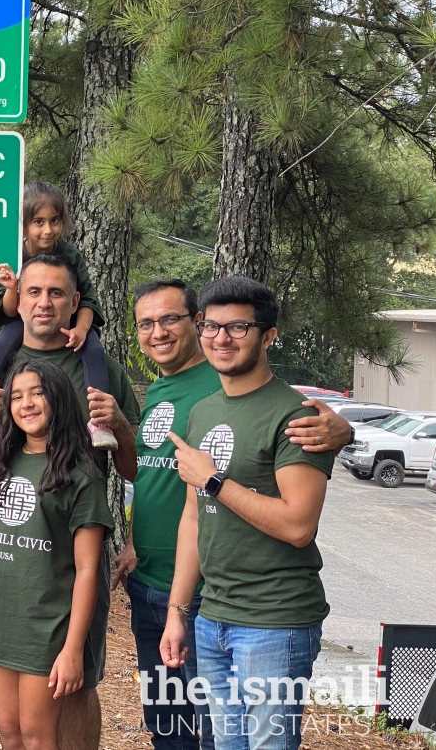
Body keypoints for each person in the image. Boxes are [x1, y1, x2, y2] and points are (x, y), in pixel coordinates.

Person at [115, 279, 352, 750]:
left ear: (268, 336)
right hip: (211, 616)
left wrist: (214, 481)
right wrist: (180, 613)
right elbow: (193, 519)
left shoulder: (296, 416)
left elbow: (298, 526)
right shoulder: (202, 410)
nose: (222, 338)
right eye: (213, 326)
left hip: (274, 620)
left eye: (238, 327)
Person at [0, 254, 140, 750]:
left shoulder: (97, 369)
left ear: (75, 302)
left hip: (69, 553)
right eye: (33, 291)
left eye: (56, 293)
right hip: (11, 574)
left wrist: (120, 425)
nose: (43, 302)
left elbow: (133, 469)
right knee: (15, 728)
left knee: (76, 684)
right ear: (18, 298)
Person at [0, 359, 113, 750]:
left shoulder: (82, 473)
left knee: (38, 736)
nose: (26, 403)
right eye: (17, 396)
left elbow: (88, 569)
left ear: (57, 398)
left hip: (47, 627)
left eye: (37, 393)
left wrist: (74, 648)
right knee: (10, 734)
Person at [0, 182, 113, 449]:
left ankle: (98, 422)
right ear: (23, 225)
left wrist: (81, 329)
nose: (47, 230)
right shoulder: (12, 254)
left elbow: (87, 297)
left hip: (70, 319)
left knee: (93, 351)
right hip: (18, 320)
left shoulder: (69, 254)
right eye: (38, 222)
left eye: (54, 221)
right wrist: (13, 288)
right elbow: (7, 310)